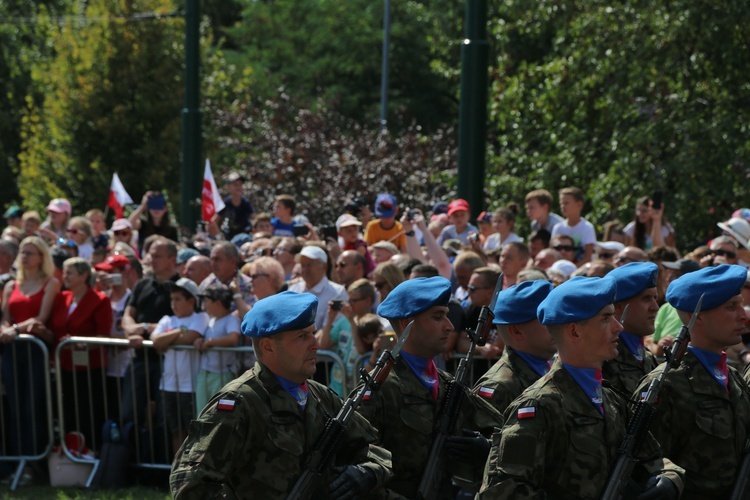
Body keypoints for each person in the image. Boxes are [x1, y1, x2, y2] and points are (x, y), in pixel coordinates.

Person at [170, 291, 392, 498]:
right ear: (268, 347)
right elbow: (189, 482)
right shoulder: (240, 402)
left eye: (313, 333)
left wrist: (368, 472)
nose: (315, 344)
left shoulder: (319, 395)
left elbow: (371, 445)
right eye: (302, 337)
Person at [479, 275, 684, 498]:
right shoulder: (539, 406)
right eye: (606, 319)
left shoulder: (610, 399)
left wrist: (668, 480)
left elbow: (652, 458)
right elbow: (504, 492)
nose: (618, 327)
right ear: (574, 331)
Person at [356, 277, 503, 498]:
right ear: (408, 325)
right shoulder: (380, 388)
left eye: (446, 315)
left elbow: (502, 432)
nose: (450, 326)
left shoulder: (447, 385)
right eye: (438, 317)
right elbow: (357, 465)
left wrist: (488, 449)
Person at [635, 264, 750, 497]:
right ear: (696, 317)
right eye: (731, 307)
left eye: (741, 305)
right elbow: (644, 465)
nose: (744, 316)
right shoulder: (666, 385)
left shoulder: (734, 378)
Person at [0, 236, 60, 462]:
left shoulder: (51, 283)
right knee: (15, 406)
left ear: (41, 257)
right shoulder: (10, 284)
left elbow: (41, 318)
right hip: (12, 351)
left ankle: (35, 461)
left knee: (33, 405)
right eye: (22, 252)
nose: (24, 257)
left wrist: (13, 329)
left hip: (36, 351)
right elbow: (5, 318)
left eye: (30, 253)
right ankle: (19, 460)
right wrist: (7, 329)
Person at [48, 257, 112, 449]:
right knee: (66, 411)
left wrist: (82, 345)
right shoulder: (61, 298)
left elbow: (103, 334)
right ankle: (68, 452)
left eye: (70, 272)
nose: (65, 276)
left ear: (84, 275)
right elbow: (54, 328)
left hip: (89, 367)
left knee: (88, 411)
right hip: (64, 365)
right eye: (64, 272)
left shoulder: (100, 300)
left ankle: (90, 451)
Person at [120, 237, 180, 427]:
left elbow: (181, 323)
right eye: (150, 255)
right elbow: (128, 315)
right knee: (129, 413)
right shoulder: (141, 285)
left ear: (172, 259)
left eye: (157, 256)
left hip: (167, 362)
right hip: (139, 359)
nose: (151, 260)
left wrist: (145, 327)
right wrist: (132, 331)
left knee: (165, 418)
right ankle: (131, 455)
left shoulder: (181, 287)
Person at [473, 279, 556, 414]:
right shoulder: (499, 386)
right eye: (546, 319)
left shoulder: (549, 368)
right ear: (517, 331)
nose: (556, 325)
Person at [151, 278, 209, 458]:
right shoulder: (167, 319)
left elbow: (191, 337)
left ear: (191, 300)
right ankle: (178, 475)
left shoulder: (201, 317)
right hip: (168, 386)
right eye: (171, 299)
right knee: (176, 432)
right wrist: (179, 332)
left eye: (178, 299)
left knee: (194, 433)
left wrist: (169, 337)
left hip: (190, 386)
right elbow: (156, 341)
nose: (173, 304)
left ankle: (192, 473)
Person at [601, 262, 660, 396]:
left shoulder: (646, 356)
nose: (655, 307)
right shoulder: (603, 358)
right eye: (646, 299)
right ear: (618, 307)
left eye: (655, 298)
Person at [193, 284, 241, 412]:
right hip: (205, 373)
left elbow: (233, 338)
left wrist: (210, 342)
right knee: (202, 412)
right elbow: (206, 338)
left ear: (218, 303)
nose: (204, 305)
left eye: (207, 301)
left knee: (220, 413)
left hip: (222, 374)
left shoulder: (231, 320)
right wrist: (200, 340)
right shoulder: (211, 320)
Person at [200, 241, 254, 317]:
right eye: (212, 259)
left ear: (232, 261)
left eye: (217, 259)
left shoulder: (248, 285)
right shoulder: (206, 284)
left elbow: (250, 316)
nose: (213, 264)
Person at [551, 187, 596, 265]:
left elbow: (588, 258)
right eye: (561, 203)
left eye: (566, 203)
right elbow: (552, 252)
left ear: (579, 205)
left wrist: (572, 271)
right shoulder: (557, 228)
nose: (563, 206)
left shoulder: (587, 228)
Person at [211, 171, 254, 239]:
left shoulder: (246, 203)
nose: (238, 187)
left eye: (240, 184)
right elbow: (214, 221)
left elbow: (255, 218)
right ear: (228, 187)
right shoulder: (225, 203)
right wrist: (220, 237)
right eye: (235, 185)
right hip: (229, 237)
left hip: (245, 236)